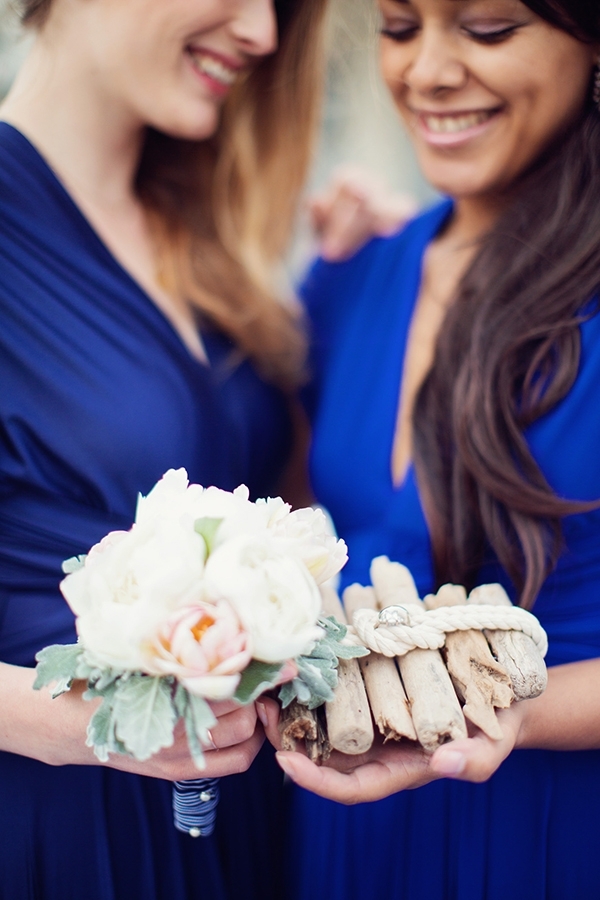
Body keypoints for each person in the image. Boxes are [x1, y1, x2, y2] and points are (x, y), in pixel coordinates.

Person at [265, 1, 600, 897]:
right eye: (400, 26)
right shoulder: (353, 274)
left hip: (551, 827)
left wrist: (517, 718)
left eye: (486, 27)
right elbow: (298, 524)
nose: (427, 71)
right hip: (349, 817)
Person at [0, 1, 334, 898]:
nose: (263, 33)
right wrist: (54, 718)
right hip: (57, 826)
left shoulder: (211, 234)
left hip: (250, 817)